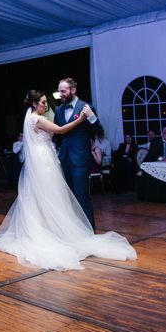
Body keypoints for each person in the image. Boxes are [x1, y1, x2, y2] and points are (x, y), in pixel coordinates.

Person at [0, 90, 137, 271]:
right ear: (34, 104)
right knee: (50, 194)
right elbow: (61, 130)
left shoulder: (29, 117)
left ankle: (47, 227)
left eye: (46, 102)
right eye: (43, 102)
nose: (45, 105)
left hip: (42, 157)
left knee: (41, 195)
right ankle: (51, 231)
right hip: (43, 159)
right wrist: (80, 119)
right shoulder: (37, 119)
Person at [53, 78, 104, 228]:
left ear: (73, 90)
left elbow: (99, 132)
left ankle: (89, 232)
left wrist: (91, 116)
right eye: (59, 91)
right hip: (64, 159)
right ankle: (72, 230)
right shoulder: (59, 110)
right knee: (66, 197)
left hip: (80, 159)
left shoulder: (86, 107)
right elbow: (57, 134)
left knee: (81, 195)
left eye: (63, 91)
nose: (60, 94)